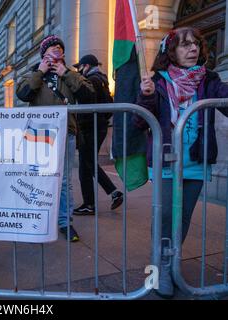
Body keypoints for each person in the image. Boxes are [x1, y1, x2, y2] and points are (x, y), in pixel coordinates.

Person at [137, 27, 228, 298]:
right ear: (171, 51)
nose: (193, 49)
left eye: (196, 45)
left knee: (183, 218)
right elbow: (139, 121)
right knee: (165, 216)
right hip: (165, 161)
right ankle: (161, 267)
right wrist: (147, 96)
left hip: (196, 161)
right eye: (185, 45)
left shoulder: (208, 79)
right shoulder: (157, 80)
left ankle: (170, 262)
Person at [16, 35, 95, 242]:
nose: (56, 50)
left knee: (65, 180)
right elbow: (23, 94)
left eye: (60, 47)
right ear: (44, 53)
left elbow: (89, 95)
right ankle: (38, 218)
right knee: (38, 177)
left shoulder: (70, 73)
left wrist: (67, 74)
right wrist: (40, 72)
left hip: (65, 133)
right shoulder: (33, 73)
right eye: (52, 47)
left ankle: (64, 222)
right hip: (39, 135)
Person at [72, 54, 123, 215]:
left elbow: (87, 102)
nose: (79, 70)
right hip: (97, 126)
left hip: (89, 127)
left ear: (86, 66)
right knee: (87, 165)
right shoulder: (101, 79)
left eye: (80, 67)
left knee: (87, 164)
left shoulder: (92, 80)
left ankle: (105, 196)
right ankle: (95, 201)